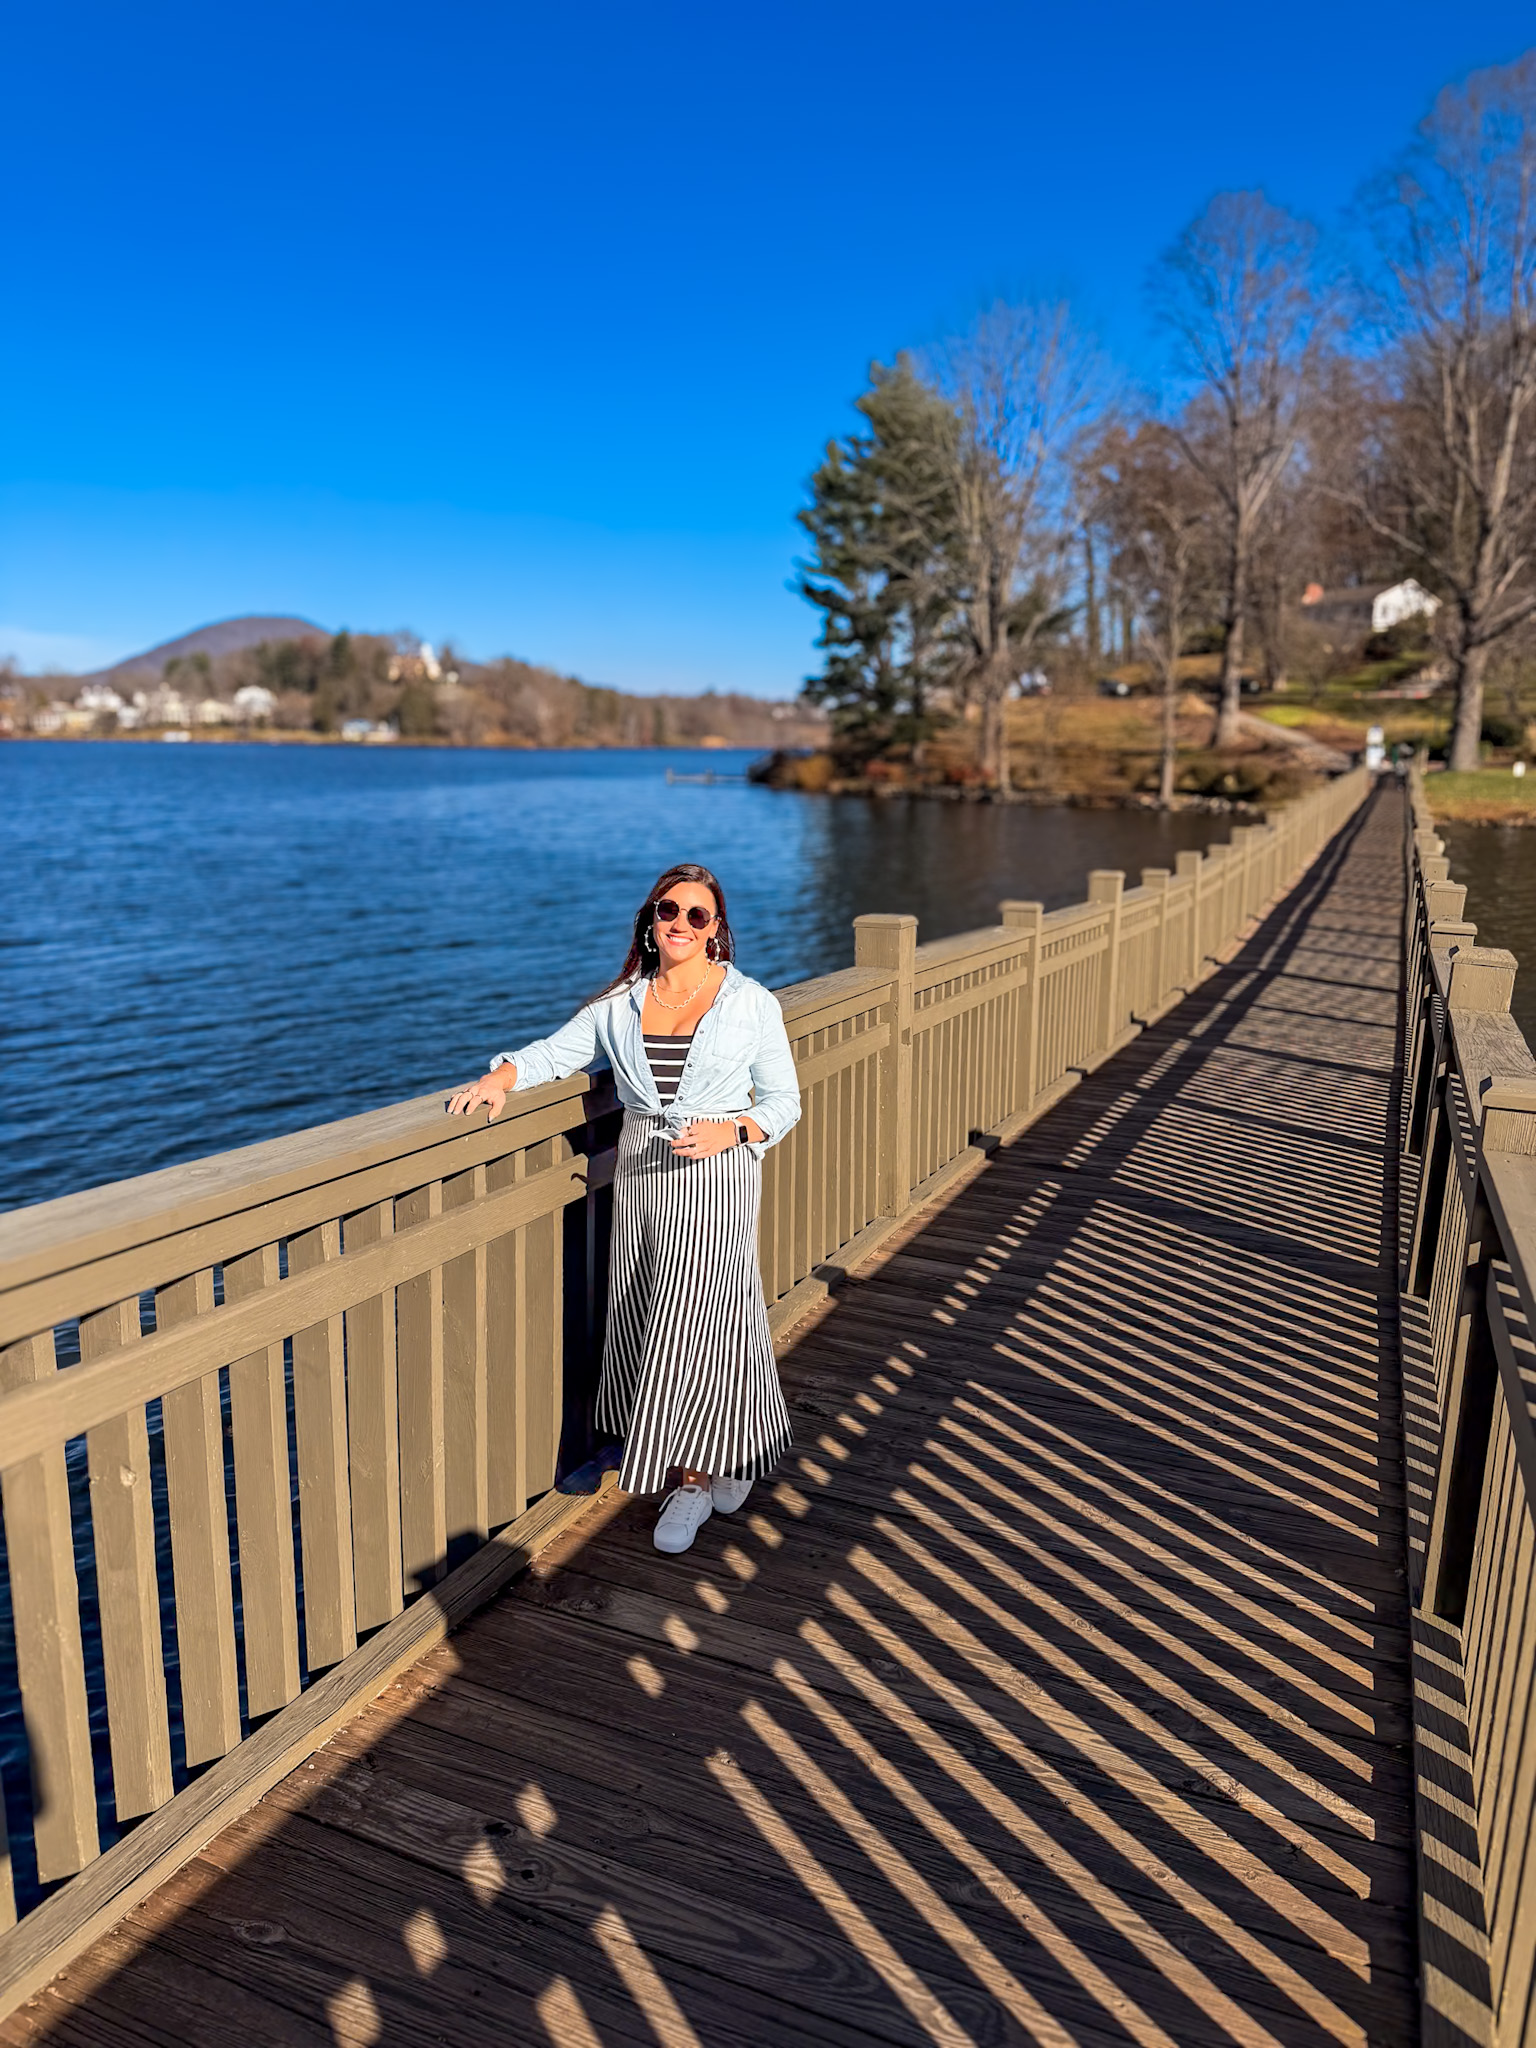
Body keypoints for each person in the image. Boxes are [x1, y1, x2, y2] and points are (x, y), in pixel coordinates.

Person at [447, 863, 802, 1555]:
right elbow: (555, 1053)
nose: (681, 924)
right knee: (674, 1315)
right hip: (643, 1178)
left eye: (697, 915)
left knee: (696, 1321)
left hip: (718, 1176)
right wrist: (503, 1076)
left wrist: (732, 1130)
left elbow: (784, 1101)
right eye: (669, 910)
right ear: (650, 920)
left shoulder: (751, 1002)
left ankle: (692, 1480)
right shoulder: (619, 1007)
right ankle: (732, 1448)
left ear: (717, 930)